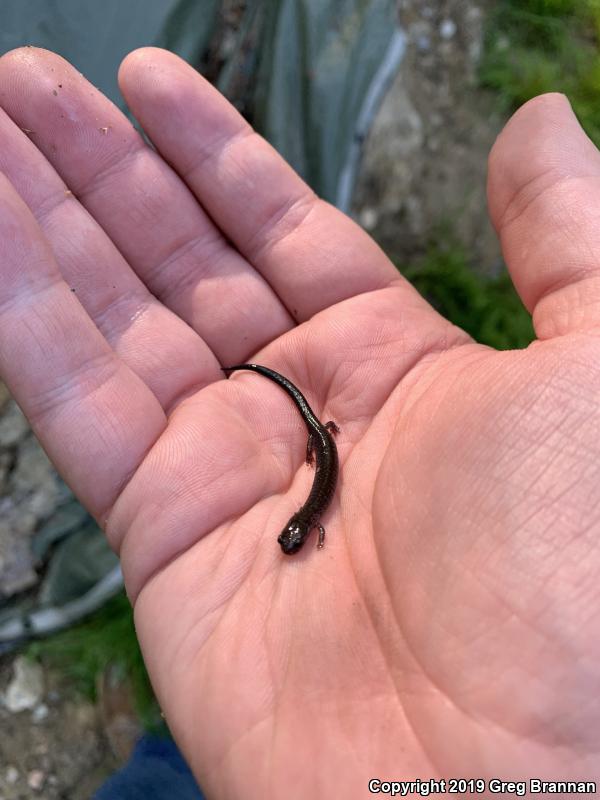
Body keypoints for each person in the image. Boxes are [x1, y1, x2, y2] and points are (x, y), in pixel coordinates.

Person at [0, 45, 597, 798]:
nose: (295, 539)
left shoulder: (312, 515)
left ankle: (166, 758)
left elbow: (315, 509)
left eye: (291, 536)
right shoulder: (311, 506)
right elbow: (315, 503)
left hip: (321, 463)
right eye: (294, 537)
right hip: (322, 450)